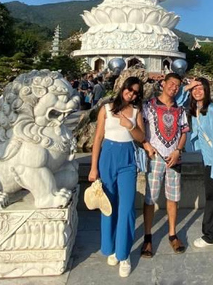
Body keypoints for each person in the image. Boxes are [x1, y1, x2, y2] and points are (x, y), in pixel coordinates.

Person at [89, 77, 146, 277]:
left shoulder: (137, 111)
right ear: (123, 89)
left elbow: (141, 137)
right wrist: (93, 168)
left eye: (135, 92)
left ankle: (124, 254)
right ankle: (110, 247)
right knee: (108, 205)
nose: (131, 94)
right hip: (107, 157)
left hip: (127, 160)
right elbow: (97, 138)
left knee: (127, 207)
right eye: (129, 90)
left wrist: (129, 125)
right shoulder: (106, 109)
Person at [178, 77, 213, 270]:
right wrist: (188, 86)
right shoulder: (194, 111)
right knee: (211, 200)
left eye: (201, 88)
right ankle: (210, 235)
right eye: (195, 88)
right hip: (208, 163)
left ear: (207, 90)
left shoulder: (210, 111)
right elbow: (176, 100)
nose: (197, 91)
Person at [140, 72, 189, 257]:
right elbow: (140, 127)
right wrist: (146, 144)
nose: (174, 88)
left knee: (173, 197)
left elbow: (184, 132)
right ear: (164, 83)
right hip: (155, 157)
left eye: (177, 86)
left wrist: (178, 150)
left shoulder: (181, 110)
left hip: (174, 157)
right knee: (150, 198)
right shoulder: (148, 106)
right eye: (171, 84)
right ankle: (147, 237)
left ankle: (172, 234)